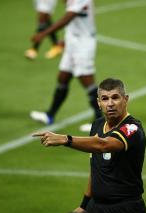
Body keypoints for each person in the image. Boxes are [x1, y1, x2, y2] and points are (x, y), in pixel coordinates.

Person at [34, 78, 146, 213]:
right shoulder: (97, 126)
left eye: (115, 97)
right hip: (96, 211)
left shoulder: (132, 128)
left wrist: (65, 139)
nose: (110, 103)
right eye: (105, 98)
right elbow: (95, 169)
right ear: (98, 103)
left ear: (126, 99)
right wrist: (85, 205)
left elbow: (104, 145)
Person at [30, 0, 101, 132]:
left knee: (87, 81)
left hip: (83, 45)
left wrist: (44, 34)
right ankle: (49, 115)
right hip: (72, 42)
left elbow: (67, 19)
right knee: (63, 77)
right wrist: (66, 41)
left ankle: (100, 122)